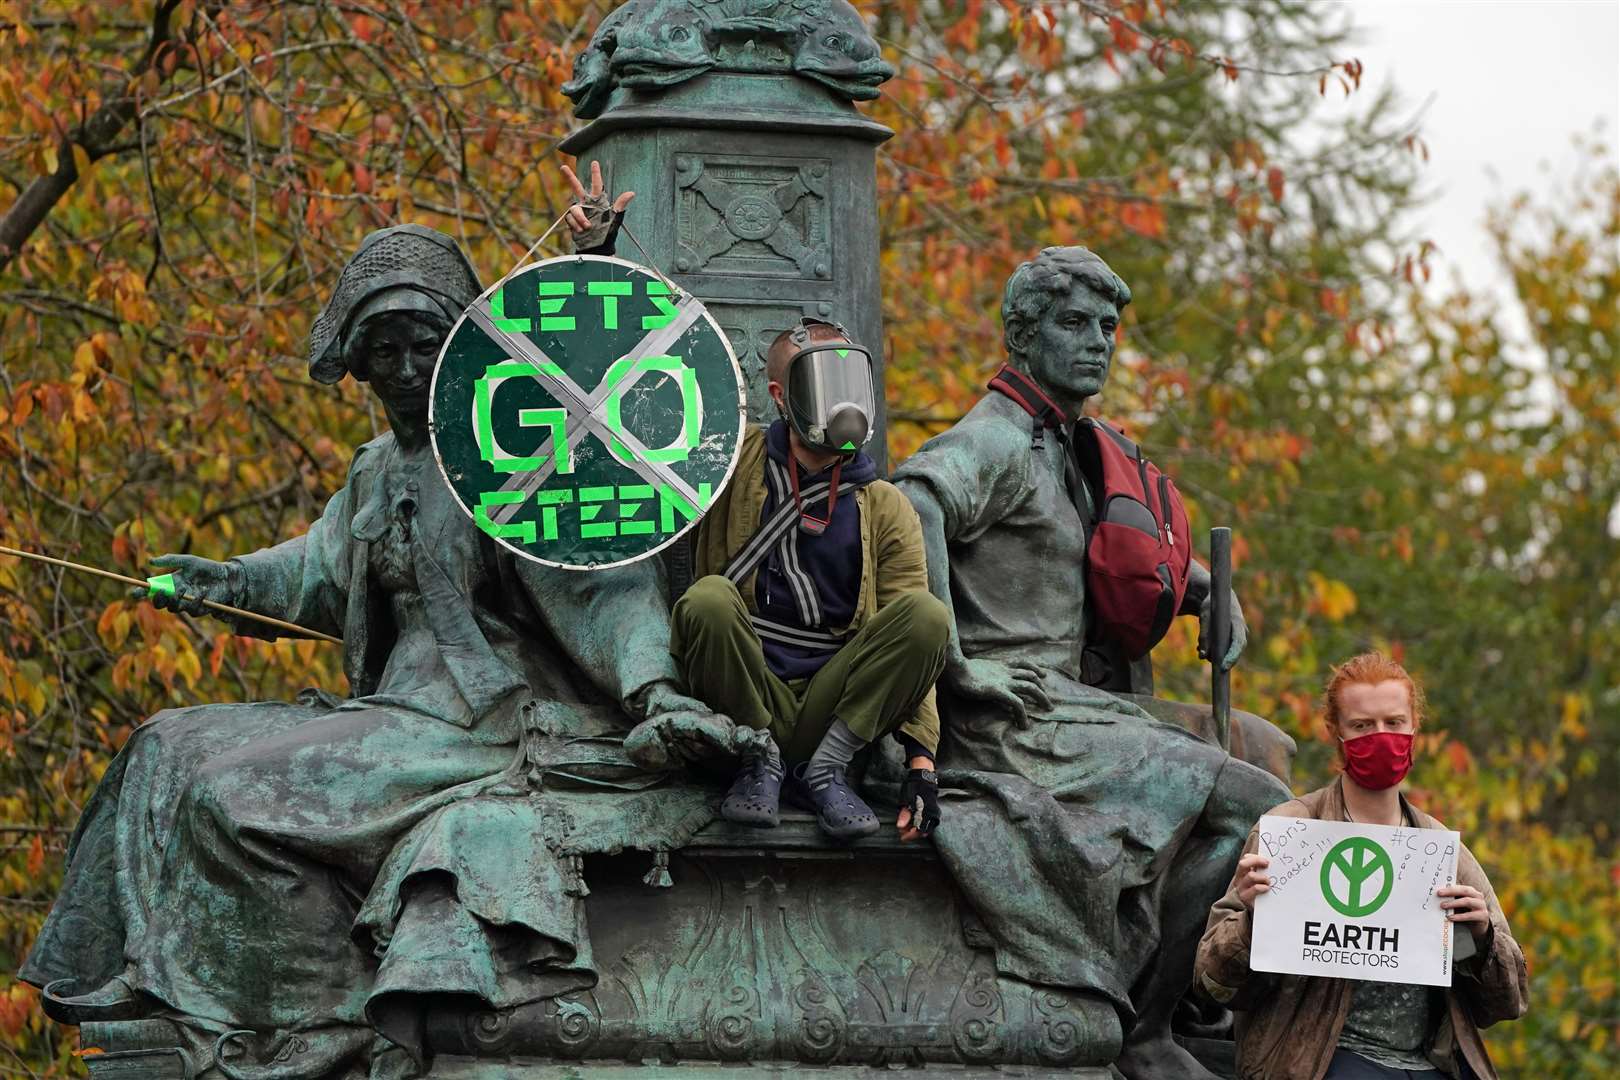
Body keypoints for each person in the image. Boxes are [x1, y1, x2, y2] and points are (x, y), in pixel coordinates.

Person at [22, 168, 738, 1078]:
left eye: (421, 345)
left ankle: (313, 1022)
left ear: (458, 349)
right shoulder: (374, 468)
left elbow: (605, 585)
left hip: (480, 726)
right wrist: (224, 580)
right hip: (393, 714)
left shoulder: (512, 446)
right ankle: (149, 995)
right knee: (162, 745)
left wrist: (656, 690)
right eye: (382, 351)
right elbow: (315, 574)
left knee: (225, 799)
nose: (402, 370)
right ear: (356, 361)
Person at [891, 245, 1290, 1078]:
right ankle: (1145, 1034)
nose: (1098, 343)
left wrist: (1207, 591)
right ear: (1025, 334)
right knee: (1255, 805)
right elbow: (910, 501)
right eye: (1075, 324)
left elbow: (1114, 552)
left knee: (1266, 746)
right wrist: (955, 663)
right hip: (1020, 712)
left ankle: (1192, 994)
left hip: (1082, 703)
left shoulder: (1074, 443)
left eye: (1108, 327)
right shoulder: (999, 437)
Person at [670, 317, 950, 841]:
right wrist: (598, 255)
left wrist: (921, 764)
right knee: (708, 599)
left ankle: (827, 770)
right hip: (744, 693)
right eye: (827, 384)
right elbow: (633, 434)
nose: (844, 403)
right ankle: (759, 759)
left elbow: (914, 643)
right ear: (781, 393)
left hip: (833, 705)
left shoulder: (886, 505)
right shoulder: (728, 461)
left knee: (928, 618)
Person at [1196, 653, 1529, 1080]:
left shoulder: (1439, 850)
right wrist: (1252, 919)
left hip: (1431, 1064)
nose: (1381, 737)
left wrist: (1480, 939)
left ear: (1415, 728)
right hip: (1319, 1061)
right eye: (1362, 726)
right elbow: (1213, 984)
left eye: (1394, 723)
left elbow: (1507, 1003)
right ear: (1335, 732)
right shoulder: (1292, 831)